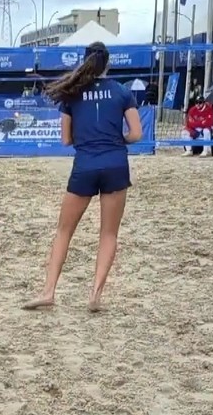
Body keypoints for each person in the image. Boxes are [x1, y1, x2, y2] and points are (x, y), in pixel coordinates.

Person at [23, 42, 141, 313]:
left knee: (64, 231)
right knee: (108, 233)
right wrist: (116, 140)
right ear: (108, 64)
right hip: (115, 163)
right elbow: (136, 134)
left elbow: (66, 140)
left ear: (84, 62)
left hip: (85, 164)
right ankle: (95, 296)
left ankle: (48, 291)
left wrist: (89, 139)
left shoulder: (72, 94)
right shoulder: (122, 92)